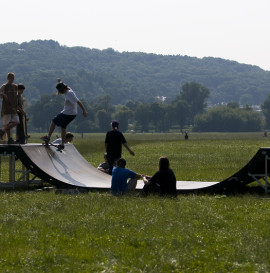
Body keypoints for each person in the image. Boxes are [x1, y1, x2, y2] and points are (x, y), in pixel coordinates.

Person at [41, 79, 87, 150]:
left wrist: (84, 110)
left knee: (54, 121)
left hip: (68, 113)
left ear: (62, 90)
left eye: (60, 91)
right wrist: (60, 81)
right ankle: (62, 144)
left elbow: (78, 101)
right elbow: (62, 84)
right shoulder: (67, 89)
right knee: (63, 127)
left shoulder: (70, 93)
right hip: (71, 114)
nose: (60, 93)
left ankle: (48, 137)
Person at [0, 72, 22, 144]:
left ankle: (2, 130)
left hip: (13, 108)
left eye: (13, 78)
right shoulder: (5, 86)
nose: (12, 79)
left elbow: (16, 95)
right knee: (8, 124)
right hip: (6, 108)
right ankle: (9, 139)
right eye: (10, 78)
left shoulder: (15, 86)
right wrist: (3, 94)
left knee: (16, 121)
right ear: (8, 78)